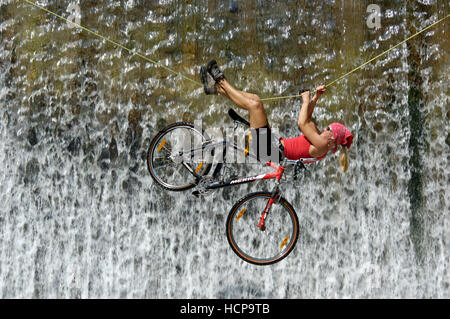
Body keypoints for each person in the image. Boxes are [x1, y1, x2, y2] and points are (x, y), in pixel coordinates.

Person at [200, 60, 353, 172]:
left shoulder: (321, 146)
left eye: (328, 129)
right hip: (272, 145)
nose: (325, 129)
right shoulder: (320, 141)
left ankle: (221, 80)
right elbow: (308, 118)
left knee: (254, 106)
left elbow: (301, 123)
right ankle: (217, 89)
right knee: (255, 99)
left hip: (270, 151)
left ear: (333, 138)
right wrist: (316, 98)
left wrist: (305, 101)